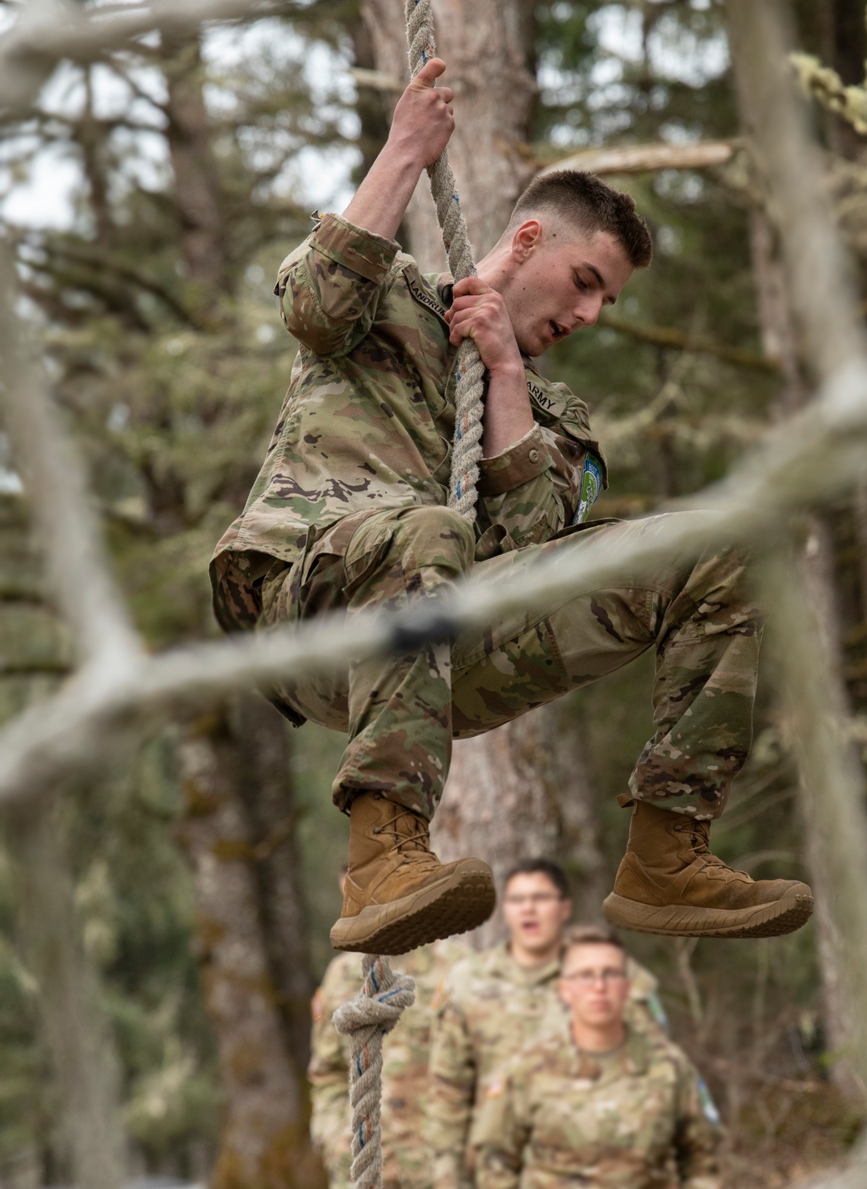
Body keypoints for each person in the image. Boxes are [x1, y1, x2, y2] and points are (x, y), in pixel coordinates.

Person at [210, 57, 812, 954]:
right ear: (527, 242)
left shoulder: (551, 416)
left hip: (446, 641)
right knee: (430, 529)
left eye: (608, 300)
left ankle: (666, 853)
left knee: (733, 546)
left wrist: (501, 372)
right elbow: (311, 307)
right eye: (585, 281)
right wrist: (405, 151)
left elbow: (530, 543)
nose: (593, 314)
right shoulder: (388, 294)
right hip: (308, 612)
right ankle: (382, 856)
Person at [428, 857, 679, 1189]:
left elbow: (661, 1082)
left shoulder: (608, 975)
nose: (528, 908)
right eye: (517, 899)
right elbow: (448, 1093)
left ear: (564, 908)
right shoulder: (468, 984)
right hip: (498, 1188)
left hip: (602, 1188)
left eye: (540, 898)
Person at [472, 925, 720, 1189]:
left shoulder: (668, 1066)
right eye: (585, 975)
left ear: (627, 987)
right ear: (564, 989)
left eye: (611, 974)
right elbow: (495, 1159)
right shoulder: (529, 1070)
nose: (599, 986)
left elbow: (701, 1157)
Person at [309, 926, 462, 1189]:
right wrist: (334, 1134)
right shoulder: (343, 973)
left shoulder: (459, 967)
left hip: (439, 1169)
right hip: (364, 1165)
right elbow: (327, 1071)